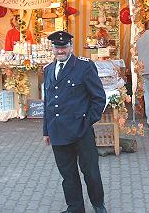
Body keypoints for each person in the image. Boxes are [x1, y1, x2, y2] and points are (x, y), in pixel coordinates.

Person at [42, 30, 107, 213]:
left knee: (91, 172)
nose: (60, 51)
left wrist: (87, 122)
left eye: (63, 47)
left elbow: (98, 98)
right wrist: (46, 131)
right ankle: (75, 208)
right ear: (52, 49)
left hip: (81, 131)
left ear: (70, 47)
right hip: (58, 131)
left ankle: (98, 204)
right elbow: (48, 102)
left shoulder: (84, 67)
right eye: (57, 47)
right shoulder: (48, 70)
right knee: (68, 175)